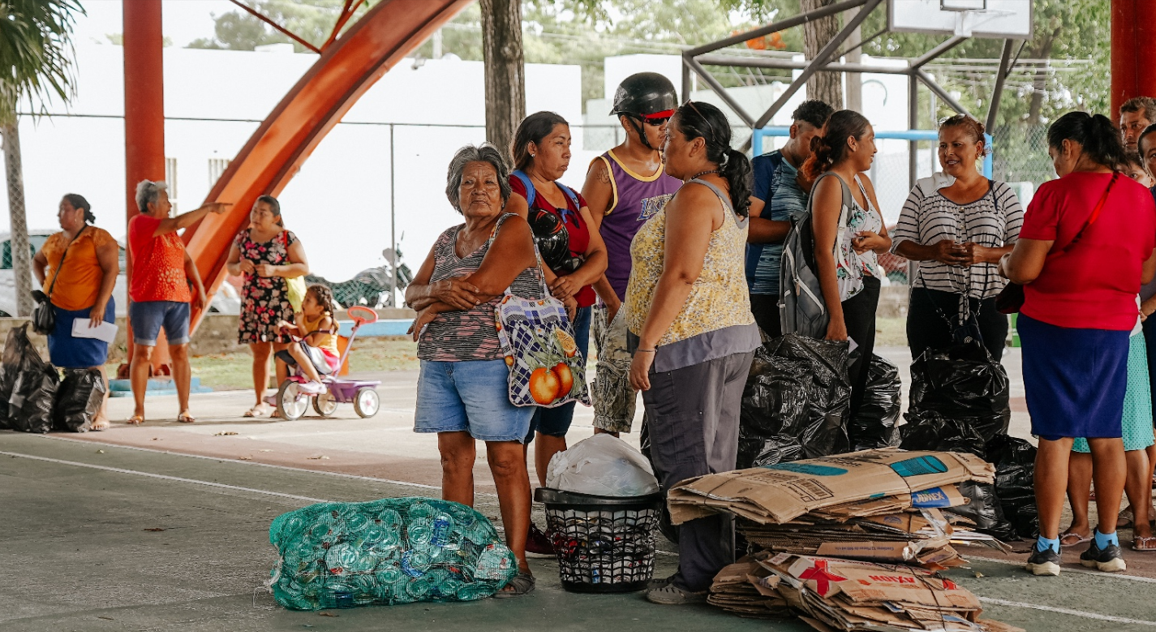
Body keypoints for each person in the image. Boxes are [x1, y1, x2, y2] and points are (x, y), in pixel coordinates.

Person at [999, 111, 1156, 576]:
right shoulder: (1141, 198)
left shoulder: (1053, 194)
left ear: (1068, 147)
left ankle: (1048, 548)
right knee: (1108, 434)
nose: (1053, 164)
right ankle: (1107, 545)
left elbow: (1025, 270)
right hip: (1114, 329)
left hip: (1053, 327)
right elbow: (1146, 272)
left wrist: (1007, 263)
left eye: (1053, 154)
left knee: (1057, 435)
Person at [625, 101, 761, 605]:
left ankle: (697, 578)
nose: (663, 146)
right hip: (728, 340)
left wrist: (646, 344)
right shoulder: (726, 191)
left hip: (690, 346)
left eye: (671, 139)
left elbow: (679, 275)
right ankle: (714, 568)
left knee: (688, 463)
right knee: (714, 462)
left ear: (698, 145)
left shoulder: (693, 195)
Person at [406, 144, 542, 598]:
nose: (479, 190)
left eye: (488, 182)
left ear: (502, 191)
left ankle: (517, 564)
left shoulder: (513, 228)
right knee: (452, 459)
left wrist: (432, 306)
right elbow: (411, 290)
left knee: (505, 460)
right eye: (468, 182)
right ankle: (456, 557)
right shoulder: (447, 238)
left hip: (493, 360)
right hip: (441, 362)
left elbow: (486, 284)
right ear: (454, 192)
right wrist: (438, 292)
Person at [506, 111, 608, 555]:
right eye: (558, 142)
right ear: (532, 147)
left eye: (570, 142)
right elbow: (518, 240)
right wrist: (555, 284)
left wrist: (578, 281)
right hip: (533, 319)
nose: (567, 150)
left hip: (574, 315)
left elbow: (599, 252)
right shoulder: (516, 188)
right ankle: (519, 525)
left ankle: (556, 522)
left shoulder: (570, 195)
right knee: (522, 421)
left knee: (557, 419)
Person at [581, 72, 682, 438]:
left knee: (667, 402)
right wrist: (611, 303)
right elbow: (584, 246)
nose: (665, 128)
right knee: (613, 406)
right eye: (656, 121)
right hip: (622, 307)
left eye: (671, 119)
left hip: (669, 306)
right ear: (627, 122)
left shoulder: (676, 165)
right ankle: (606, 480)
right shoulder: (604, 172)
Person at [891, 115, 1024, 361]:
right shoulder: (923, 191)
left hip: (987, 305)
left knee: (983, 388)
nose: (948, 152)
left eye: (957, 145)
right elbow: (900, 243)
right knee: (931, 387)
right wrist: (933, 251)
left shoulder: (1001, 194)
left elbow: (1021, 247)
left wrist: (985, 254)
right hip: (932, 305)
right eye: (943, 145)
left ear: (978, 149)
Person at [801, 110, 891, 422]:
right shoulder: (830, 185)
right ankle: (833, 449)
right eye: (871, 140)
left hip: (867, 290)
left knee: (859, 376)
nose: (875, 149)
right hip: (843, 297)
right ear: (852, 143)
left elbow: (886, 240)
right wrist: (836, 317)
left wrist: (873, 242)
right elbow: (824, 252)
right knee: (841, 381)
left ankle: (847, 443)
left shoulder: (863, 182)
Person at [126, 180, 229, 425]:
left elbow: (187, 261)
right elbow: (177, 222)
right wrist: (208, 208)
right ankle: (138, 410)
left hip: (178, 299)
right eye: (165, 200)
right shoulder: (140, 223)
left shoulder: (170, 234)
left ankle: (184, 408)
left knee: (180, 352)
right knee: (143, 353)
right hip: (148, 297)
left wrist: (201, 291)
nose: (170, 205)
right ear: (151, 205)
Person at [746, 99, 833, 336]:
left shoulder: (825, 178)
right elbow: (748, 228)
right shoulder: (764, 167)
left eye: (823, 145)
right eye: (812, 142)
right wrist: (801, 230)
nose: (817, 152)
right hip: (766, 289)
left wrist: (812, 191)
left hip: (809, 290)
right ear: (794, 130)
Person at [31, 194, 118, 430]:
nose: (60, 214)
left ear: (79, 212)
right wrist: (45, 285)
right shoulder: (54, 240)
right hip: (60, 312)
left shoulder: (98, 237)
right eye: (60, 210)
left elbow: (111, 271)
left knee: (94, 362)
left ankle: (101, 414)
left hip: (92, 311)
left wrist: (99, 305)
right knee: (66, 364)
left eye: (64, 209)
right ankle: (75, 410)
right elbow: (37, 261)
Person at [225, 195, 310, 417]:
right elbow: (231, 266)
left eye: (263, 212)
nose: (257, 216)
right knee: (259, 353)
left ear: (276, 217)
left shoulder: (286, 238)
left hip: (279, 303)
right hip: (253, 303)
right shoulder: (243, 238)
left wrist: (276, 270)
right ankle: (260, 401)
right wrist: (239, 266)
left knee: (281, 352)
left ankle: (283, 401)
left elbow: (303, 267)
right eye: (255, 211)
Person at [275, 284, 341, 386]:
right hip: (310, 355)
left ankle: (317, 382)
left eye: (308, 300)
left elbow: (312, 343)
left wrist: (300, 323)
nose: (303, 303)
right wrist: (285, 325)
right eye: (304, 299)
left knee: (294, 346)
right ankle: (282, 394)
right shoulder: (306, 317)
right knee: (280, 357)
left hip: (326, 359)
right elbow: (301, 333)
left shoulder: (326, 320)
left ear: (319, 308)